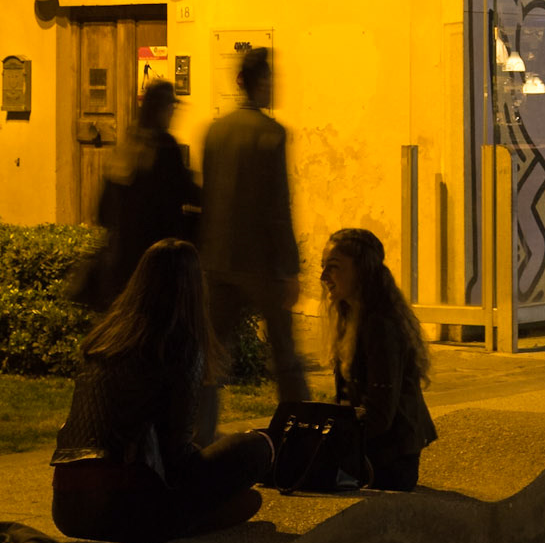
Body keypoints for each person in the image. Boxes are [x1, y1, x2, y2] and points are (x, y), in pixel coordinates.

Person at [51, 239, 272, 543]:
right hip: (123, 506)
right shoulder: (180, 345)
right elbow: (176, 457)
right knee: (257, 447)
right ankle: (180, 519)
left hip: (67, 511)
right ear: (195, 288)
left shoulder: (104, 340)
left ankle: (187, 517)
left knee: (242, 498)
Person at [198, 47, 306, 431]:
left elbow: (207, 196)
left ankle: (200, 433)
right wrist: (290, 268)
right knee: (284, 355)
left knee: (211, 355)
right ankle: (299, 429)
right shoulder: (271, 133)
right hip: (262, 264)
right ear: (261, 83)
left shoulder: (215, 131)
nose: (273, 87)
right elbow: (278, 205)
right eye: (270, 80)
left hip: (218, 261)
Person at [320, 229, 437, 492]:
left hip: (390, 462)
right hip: (365, 450)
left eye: (333, 267)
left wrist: (333, 444)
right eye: (323, 266)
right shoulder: (350, 316)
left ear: (362, 270)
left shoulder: (380, 326)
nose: (323, 277)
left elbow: (380, 416)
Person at [95, 80, 198, 308]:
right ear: (161, 110)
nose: (173, 114)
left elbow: (103, 210)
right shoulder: (165, 146)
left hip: (123, 258)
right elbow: (183, 191)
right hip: (155, 256)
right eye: (171, 108)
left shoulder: (128, 143)